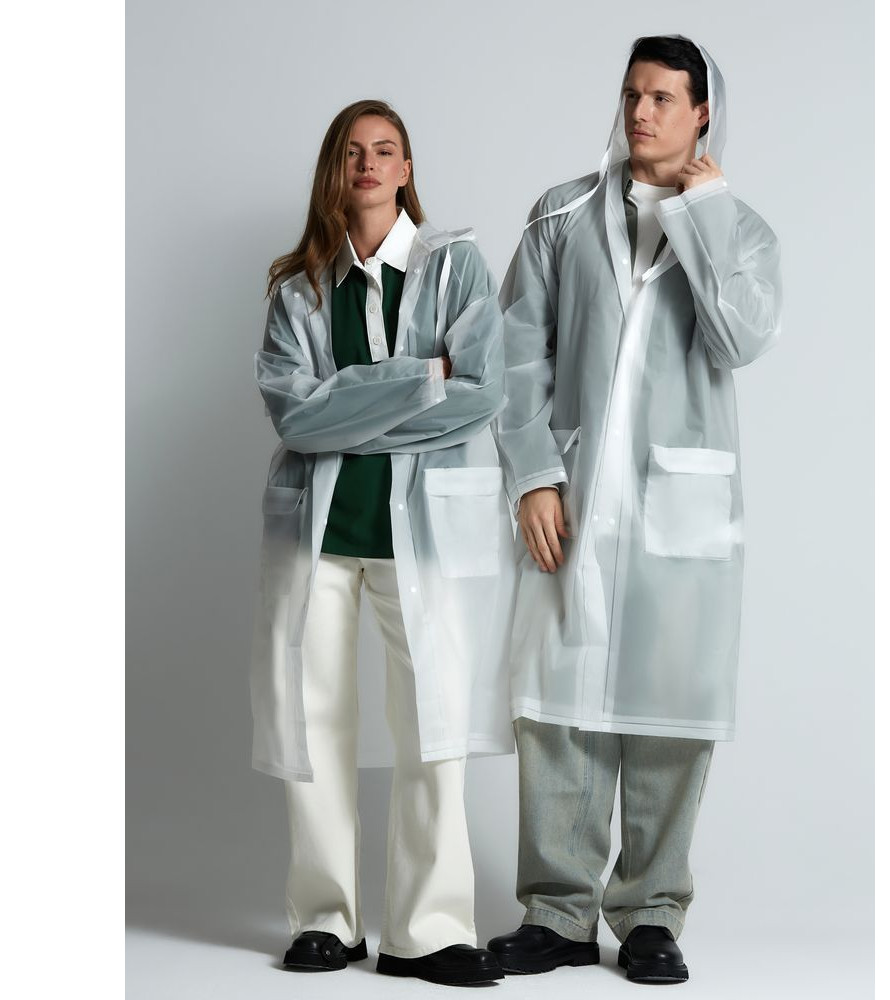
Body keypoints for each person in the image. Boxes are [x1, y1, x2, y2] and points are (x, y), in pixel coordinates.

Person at [488, 35, 782, 984]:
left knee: (670, 709)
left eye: (662, 97)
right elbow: (515, 357)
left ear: (703, 113)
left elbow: (738, 338)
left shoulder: (742, 232)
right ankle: (557, 914)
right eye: (631, 94)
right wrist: (533, 476)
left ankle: (652, 914)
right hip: (574, 496)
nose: (641, 112)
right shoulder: (561, 215)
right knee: (558, 705)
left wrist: (704, 212)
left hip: (677, 512)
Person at [249, 99, 515, 986]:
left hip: (422, 533)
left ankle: (427, 931)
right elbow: (294, 414)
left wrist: (349, 404)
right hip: (319, 533)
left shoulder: (455, 268)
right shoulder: (298, 288)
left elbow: (482, 392)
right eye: (352, 151)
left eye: (385, 149)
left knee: (434, 725)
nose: (367, 163)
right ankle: (326, 919)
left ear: (406, 170)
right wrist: (421, 379)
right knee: (314, 721)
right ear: (334, 171)